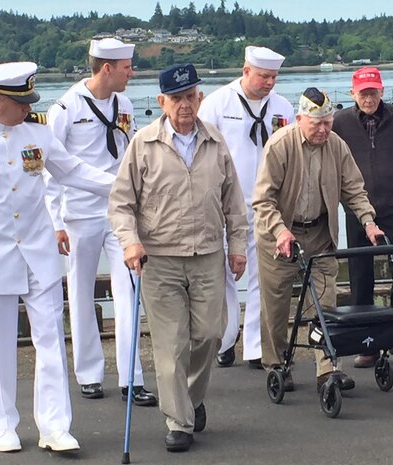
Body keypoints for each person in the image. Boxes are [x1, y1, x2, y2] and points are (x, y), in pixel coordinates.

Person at [0, 62, 116, 452]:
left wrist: (125, 187)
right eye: (20, 102)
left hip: (38, 253)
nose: (29, 108)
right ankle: (0, 423)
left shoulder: (38, 131)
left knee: (50, 341)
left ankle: (55, 426)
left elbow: (73, 171)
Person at [108, 64, 248, 453]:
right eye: (177, 99)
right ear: (161, 102)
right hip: (160, 260)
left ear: (200, 98)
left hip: (207, 255)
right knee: (171, 345)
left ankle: (191, 397)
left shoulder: (216, 142)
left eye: (191, 97)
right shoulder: (143, 144)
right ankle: (179, 421)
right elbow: (121, 203)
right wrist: (130, 242)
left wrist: (237, 246)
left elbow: (234, 202)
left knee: (209, 335)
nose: (185, 105)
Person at [44, 38, 156, 405]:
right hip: (79, 213)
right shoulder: (65, 107)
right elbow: (51, 168)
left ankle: (132, 376)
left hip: (119, 211)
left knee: (129, 291)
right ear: (106, 68)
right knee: (80, 291)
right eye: (127, 67)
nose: (131, 72)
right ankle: (89, 373)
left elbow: (130, 150)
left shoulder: (123, 103)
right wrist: (56, 220)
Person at [253, 87, 384, 392]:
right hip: (280, 235)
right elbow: (263, 200)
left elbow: (354, 188)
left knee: (324, 306)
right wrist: (280, 231)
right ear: (300, 119)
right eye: (317, 124)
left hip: (320, 235)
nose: (324, 129)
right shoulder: (279, 145)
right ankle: (277, 365)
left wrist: (368, 221)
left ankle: (327, 367)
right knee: (275, 308)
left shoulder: (337, 146)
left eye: (328, 122)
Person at [198, 46, 295, 368]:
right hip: (225, 202)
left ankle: (255, 346)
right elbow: (198, 151)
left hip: (268, 205)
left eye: (274, 77)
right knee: (222, 274)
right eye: (264, 76)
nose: (269, 83)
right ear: (246, 71)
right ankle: (226, 339)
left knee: (262, 276)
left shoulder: (282, 107)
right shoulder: (217, 103)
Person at [332, 67, 393, 368]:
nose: (368, 98)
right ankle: (366, 344)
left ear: (382, 91)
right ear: (352, 94)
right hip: (357, 210)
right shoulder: (340, 122)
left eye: (373, 92)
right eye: (363, 93)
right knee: (360, 278)